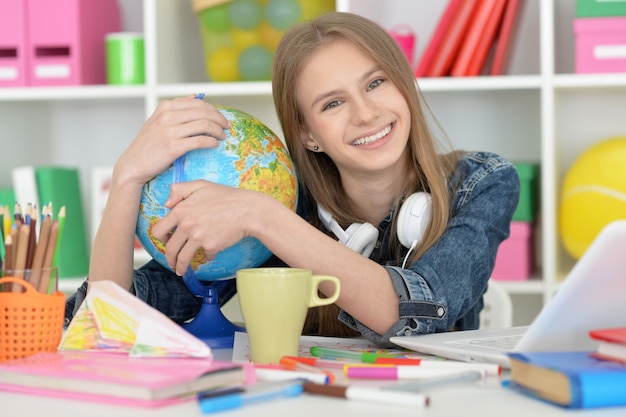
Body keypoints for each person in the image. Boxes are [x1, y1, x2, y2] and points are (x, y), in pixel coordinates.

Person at [65, 12, 519, 346]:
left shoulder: (481, 183)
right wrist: (127, 178)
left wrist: (265, 218)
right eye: (332, 104)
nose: (367, 114)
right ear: (308, 135)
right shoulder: (281, 194)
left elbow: (419, 310)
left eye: (376, 83)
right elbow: (109, 320)